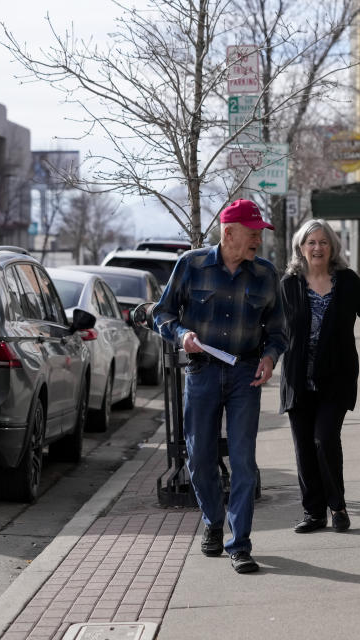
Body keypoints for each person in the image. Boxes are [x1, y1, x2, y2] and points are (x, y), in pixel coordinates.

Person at [153, 199, 286, 574]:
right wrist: (181, 335)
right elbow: (161, 313)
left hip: (247, 374)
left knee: (244, 461)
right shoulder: (191, 266)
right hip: (202, 373)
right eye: (253, 232)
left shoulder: (265, 274)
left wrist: (270, 357)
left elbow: (279, 331)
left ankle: (239, 543)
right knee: (199, 457)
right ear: (229, 233)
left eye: (260, 233)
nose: (258, 239)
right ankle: (212, 520)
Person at [280, 218, 360, 535]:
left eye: (323, 242)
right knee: (303, 447)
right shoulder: (289, 284)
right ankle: (314, 513)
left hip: (336, 376)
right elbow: (270, 327)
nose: (317, 248)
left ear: (333, 247)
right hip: (298, 378)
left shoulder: (348, 282)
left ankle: (337, 507)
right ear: (301, 247)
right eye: (311, 242)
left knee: (324, 439)